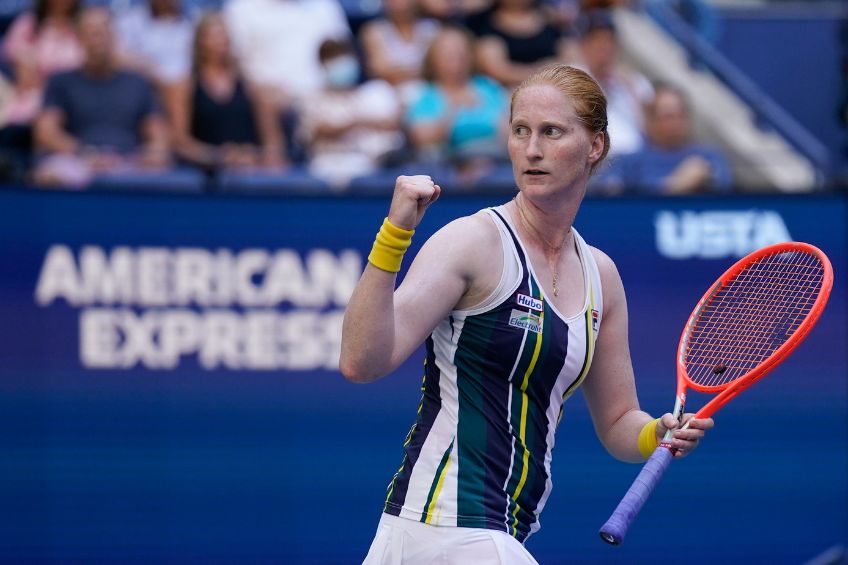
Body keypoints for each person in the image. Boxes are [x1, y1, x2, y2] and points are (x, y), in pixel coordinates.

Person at [339, 64, 713, 563]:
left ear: (595, 146)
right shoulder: (472, 242)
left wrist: (657, 434)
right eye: (520, 131)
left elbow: (620, 422)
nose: (532, 149)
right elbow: (361, 362)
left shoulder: (602, 276)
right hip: (441, 524)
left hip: (497, 533)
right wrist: (394, 234)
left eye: (551, 132)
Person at [32, 7, 171, 188]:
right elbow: (46, 132)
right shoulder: (61, 81)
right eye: (91, 32)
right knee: (49, 174)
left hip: (129, 162)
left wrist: (154, 152)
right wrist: (86, 153)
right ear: (79, 38)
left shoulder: (137, 83)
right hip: (78, 160)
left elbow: (157, 134)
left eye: (103, 31)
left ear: (114, 36)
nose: (98, 38)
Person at [163, 12, 286, 173]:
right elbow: (180, 141)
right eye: (214, 36)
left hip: (250, 173)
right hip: (203, 179)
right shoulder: (185, 87)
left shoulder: (250, 87)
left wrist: (256, 157)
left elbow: (272, 140)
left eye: (224, 35)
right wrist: (218, 157)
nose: (221, 41)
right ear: (200, 42)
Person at [298, 39, 404, 189]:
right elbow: (321, 129)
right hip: (326, 164)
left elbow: (392, 124)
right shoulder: (312, 98)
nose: (341, 64)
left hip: (371, 164)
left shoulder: (376, 92)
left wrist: (354, 122)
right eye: (333, 59)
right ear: (323, 64)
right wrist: (359, 122)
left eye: (344, 57)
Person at [405, 25, 509, 179]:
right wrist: (452, 111)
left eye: (461, 52)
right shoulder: (426, 95)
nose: (456, 58)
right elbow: (422, 138)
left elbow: (512, 127)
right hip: (451, 167)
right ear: (433, 59)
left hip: (498, 161)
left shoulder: (488, 87)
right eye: (447, 54)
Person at [600, 84, 732, 195]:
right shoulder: (629, 162)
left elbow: (727, 191)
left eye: (680, 115)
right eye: (668, 117)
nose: (676, 123)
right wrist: (673, 186)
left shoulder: (707, 158)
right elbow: (605, 193)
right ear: (650, 122)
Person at [358, 0, 441, 106]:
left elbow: (439, 68)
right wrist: (422, 70)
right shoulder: (374, 30)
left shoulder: (431, 28)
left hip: (427, 88)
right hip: (390, 92)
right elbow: (381, 70)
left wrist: (399, 70)